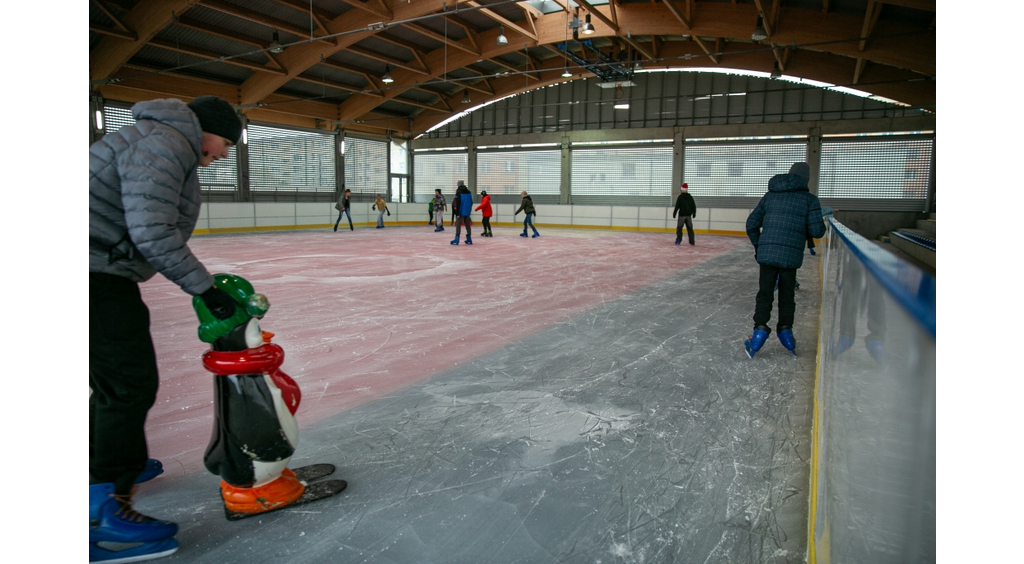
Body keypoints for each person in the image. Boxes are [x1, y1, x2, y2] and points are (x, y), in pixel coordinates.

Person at [90, 95, 243, 561]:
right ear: (207, 128)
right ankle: (99, 512)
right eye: (225, 143)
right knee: (127, 385)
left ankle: (104, 469)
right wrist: (204, 288)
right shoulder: (168, 141)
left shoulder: (156, 136)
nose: (223, 153)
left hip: (92, 267)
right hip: (92, 273)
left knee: (108, 381)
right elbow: (151, 227)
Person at [744, 161, 826, 358]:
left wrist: (759, 246)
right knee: (787, 296)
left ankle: (759, 333)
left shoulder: (770, 196)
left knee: (765, 294)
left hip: (767, 256)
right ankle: (786, 333)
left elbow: (751, 224)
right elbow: (817, 231)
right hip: (790, 257)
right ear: (806, 179)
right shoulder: (810, 200)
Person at [450, 180, 474, 245]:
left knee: (458, 224)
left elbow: (459, 203)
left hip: (461, 211)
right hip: (467, 211)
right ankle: (469, 238)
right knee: (467, 225)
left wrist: (457, 213)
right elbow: (471, 202)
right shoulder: (469, 192)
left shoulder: (459, 192)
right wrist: (469, 210)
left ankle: (457, 239)